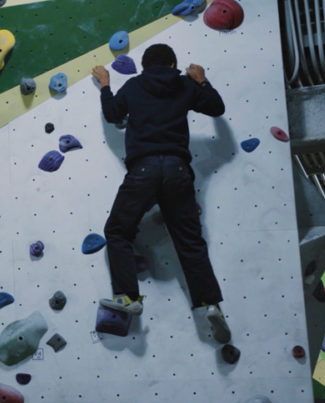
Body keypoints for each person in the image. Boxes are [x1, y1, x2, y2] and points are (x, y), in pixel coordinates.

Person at [91, 43, 231, 343]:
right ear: (172, 65)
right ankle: (210, 304)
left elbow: (114, 114)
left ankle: (129, 297)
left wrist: (105, 85)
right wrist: (201, 80)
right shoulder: (183, 84)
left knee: (117, 230)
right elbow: (217, 108)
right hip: (178, 170)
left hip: (144, 170)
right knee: (190, 241)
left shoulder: (136, 84)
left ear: (144, 65)